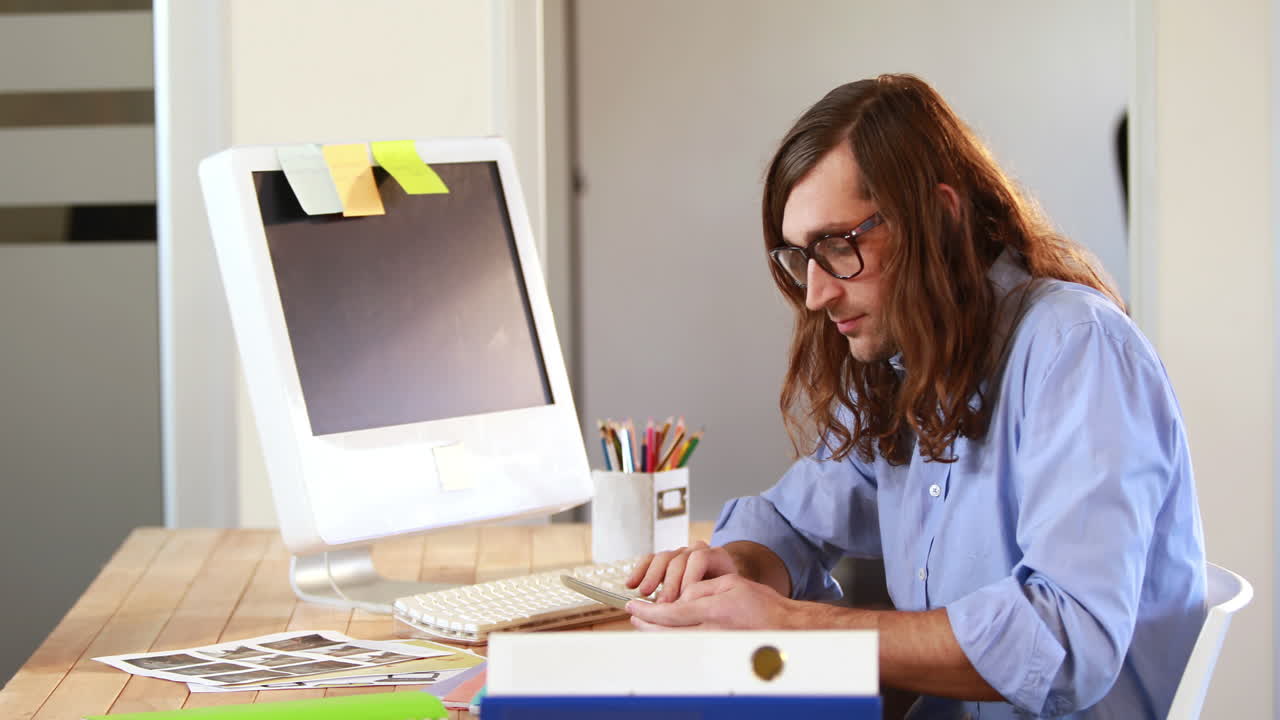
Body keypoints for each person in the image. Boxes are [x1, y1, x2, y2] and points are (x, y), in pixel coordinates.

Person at [624, 74, 1206, 719]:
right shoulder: (906, 360)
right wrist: (731, 572)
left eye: (839, 246)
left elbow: (1064, 639)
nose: (816, 294)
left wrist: (793, 623)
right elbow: (789, 522)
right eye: (801, 257)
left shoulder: (1078, 349)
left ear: (941, 217)